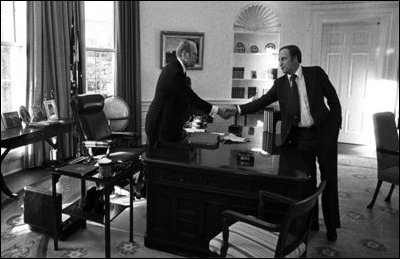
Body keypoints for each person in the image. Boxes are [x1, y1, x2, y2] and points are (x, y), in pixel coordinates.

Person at [224, 45, 342, 242]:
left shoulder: (315, 74)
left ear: (296, 59)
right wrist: (237, 109)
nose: (280, 63)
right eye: (279, 60)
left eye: (284, 59)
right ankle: (311, 221)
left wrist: (334, 128)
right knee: (307, 183)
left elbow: (334, 100)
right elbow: (260, 102)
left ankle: (331, 226)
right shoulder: (280, 84)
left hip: (323, 135)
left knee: (329, 180)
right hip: (300, 139)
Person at [145, 40, 230, 147]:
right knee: (162, 160)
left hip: (167, 125)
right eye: (194, 54)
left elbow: (185, 101)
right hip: (160, 126)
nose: (196, 58)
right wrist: (218, 111)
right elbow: (191, 98)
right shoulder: (175, 71)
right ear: (185, 54)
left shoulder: (177, 69)